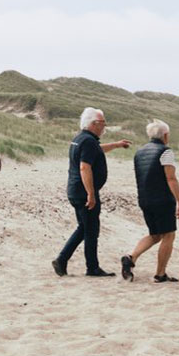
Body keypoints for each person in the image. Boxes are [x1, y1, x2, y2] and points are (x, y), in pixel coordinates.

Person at [53, 107, 132, 277]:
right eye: (103, 123)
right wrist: (91, 193)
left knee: (85, 227)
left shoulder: (81, 139)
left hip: (75, 190)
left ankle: (62, 260)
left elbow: (97, 150)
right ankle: (91, 267)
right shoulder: (88, 141)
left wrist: (117, 145)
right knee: (91, 230)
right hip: (83, 193)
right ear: (94, 124)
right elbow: (84, 167)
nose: (105, 127)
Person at [121, 119, 179, 283]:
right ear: (165, 135)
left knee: (155, 234)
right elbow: (171, 178)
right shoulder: (166, 152)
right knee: (169, 235)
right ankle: (160, 274)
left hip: (144, 199)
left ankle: (131, 258)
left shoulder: (139, 152)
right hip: (162, 200)